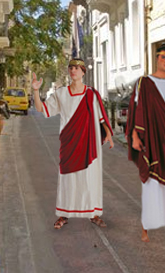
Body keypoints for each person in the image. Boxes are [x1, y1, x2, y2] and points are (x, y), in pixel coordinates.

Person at [32, 58, 114, 230]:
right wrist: (35, 91)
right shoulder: (61, 93)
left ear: (83, 72)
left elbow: (101, 117)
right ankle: (63, 215)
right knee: (67, 179)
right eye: (71, 68)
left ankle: (94, 214)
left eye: (77, 68)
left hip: (88, 142)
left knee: (90, 178)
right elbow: (42, 109)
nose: (73, 71)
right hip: (69, 142)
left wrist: (108, 134)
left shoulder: (91, 94)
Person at [126, 43, 165, 242]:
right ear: (157, 58)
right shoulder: (144, 83)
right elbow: (136, 111)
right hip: (152, 141)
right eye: (163, 57)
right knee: (151, 184)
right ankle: (146, 226)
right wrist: (135, 137)